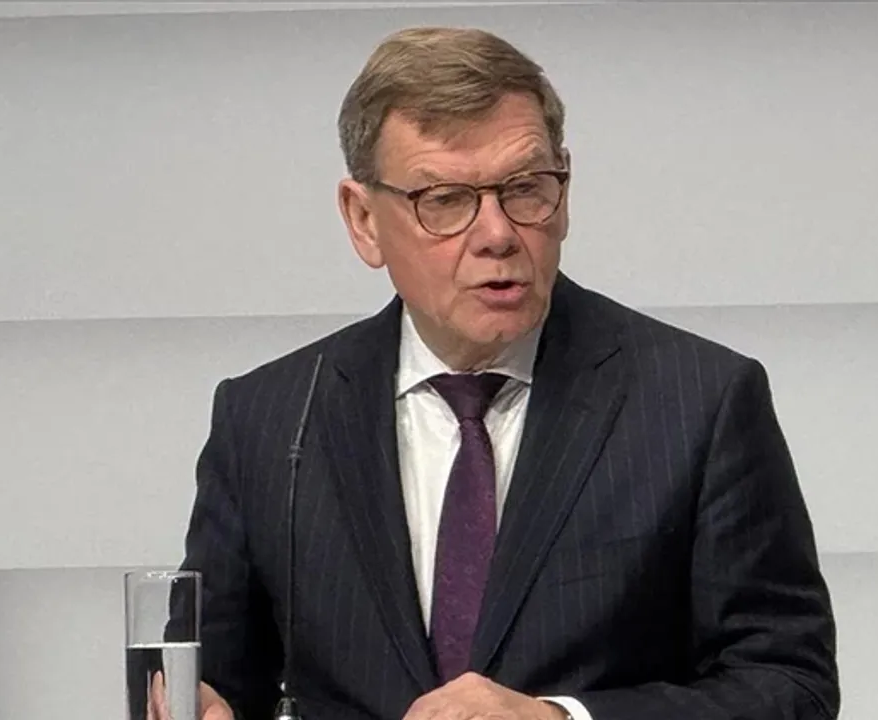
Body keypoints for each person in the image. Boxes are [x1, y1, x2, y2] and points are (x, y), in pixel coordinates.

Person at [167, 25, 839, 720]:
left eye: (526, 188)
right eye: (444, 200)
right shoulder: (269, 417)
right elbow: (214, 681)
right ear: (363, 219)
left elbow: (791, 686)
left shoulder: (699, 402)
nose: (497, 234)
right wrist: (198, 702)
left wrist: (558, 719)